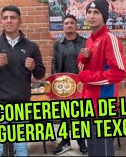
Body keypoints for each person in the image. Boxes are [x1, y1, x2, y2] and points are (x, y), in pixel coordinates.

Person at [0, 5, 45, 156]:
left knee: (22, 147)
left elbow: (40, 74)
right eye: (5, 18)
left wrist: (34, 66)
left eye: (13, 17)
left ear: (20, 21)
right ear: (1, 21)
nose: (9, 21)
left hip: (21, 104)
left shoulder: (31, 46)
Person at [77, 0, 126, 156]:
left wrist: (88, 77)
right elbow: (81, 69)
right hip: (88, 101)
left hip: (103, 103)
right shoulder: (90, 39)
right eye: (89, 12)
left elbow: (119, 72)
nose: (91, 16)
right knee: (92, 147)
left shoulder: (109, 38)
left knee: (103, 149)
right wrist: (84, 58)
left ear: (104, 16)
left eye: (96, 12)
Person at [51, 14, 87, 155]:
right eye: (66, 23)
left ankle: (81, 141)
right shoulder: (58, 43)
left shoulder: (85, 42)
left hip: (80, 84)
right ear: (63, 26)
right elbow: (54, 61)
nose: (69, 25)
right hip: (64, 86)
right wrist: (54, 81)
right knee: (65, 115)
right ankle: (65, 141)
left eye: (72, 23)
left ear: (76, 25)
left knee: (81, 115)